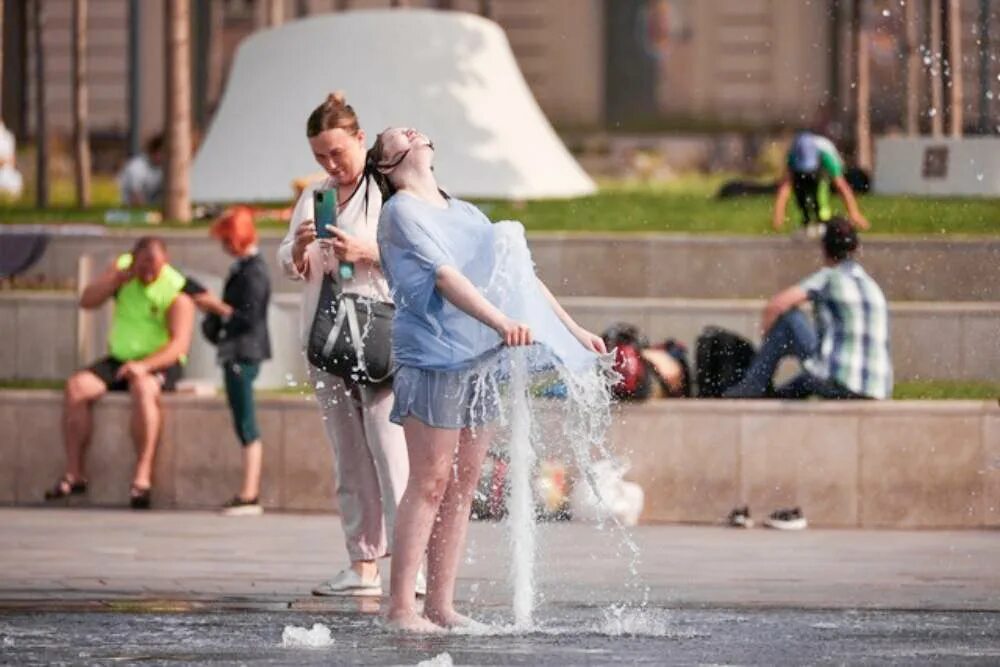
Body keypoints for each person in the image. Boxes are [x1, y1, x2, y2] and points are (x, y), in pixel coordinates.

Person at [370, 127, 607, 632]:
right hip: (434, 359)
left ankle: (440, 606)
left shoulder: (465, 212)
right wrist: (501, 322)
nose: (413, 132)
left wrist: (573, 328)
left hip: (479, 360)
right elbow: (444, 276)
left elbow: (520, 274)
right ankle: (399, 609)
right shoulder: (402, 212)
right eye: (398, 135)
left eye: (415, 129)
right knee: (430, 482)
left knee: (462, 485)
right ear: (387, 166)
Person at [277, 93, 412, 596]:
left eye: (338, 153)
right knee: (348, 458)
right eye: (320, 157)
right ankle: (362, 565)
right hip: (326, 339)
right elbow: (286, 261)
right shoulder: (316, 196)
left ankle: (407, 565)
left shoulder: (390, 193)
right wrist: (295, 249)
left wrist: (366, 251)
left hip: (376, 341)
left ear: (360, 139)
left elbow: (421, 256)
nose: (331, 165)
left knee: (389, 452)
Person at [45, 237, 196, 509]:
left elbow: (179, 345)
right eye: (143, 268)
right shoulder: (122, 276)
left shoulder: (176, 289)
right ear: (133, 261)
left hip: (159, 362)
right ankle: (74, 473)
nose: (149, 274)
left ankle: (142, 477)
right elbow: (87, 301)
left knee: (143, 388)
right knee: (77, 387)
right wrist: (115, 279)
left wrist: (145, 366)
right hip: (120, 359)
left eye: (155, 269)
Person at [724, 217, 892, 400]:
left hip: (837, 383)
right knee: (799, 383)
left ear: (823, 248)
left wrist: (768, 341)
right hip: (876, 390)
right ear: (857, 248)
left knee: (789, 318)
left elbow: (776, 306)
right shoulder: (872, 286)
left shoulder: (829, 277)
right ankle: (773, 395)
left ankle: (752, 386)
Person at [200, 206, 272, 516]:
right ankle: (248, 491)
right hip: (237, 351)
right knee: (242, 420)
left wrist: (216, 308)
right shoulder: (244, 268)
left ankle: (250, 492)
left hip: (243, 353)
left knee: (246, 421)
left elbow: (248, 316)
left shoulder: (253, 271)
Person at [772, 130, 870, 234]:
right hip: (804, 171)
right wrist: (779, 214)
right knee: (800, 191)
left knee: (820, 192)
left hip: (822, 172)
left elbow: (842, 186)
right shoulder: (793, 156)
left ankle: (823, 220)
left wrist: (854, 213)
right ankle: (807, 220)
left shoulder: (826, 156)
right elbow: (786, 186)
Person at [118, 134, 164, 206]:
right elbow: (135, 197)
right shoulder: (137, 165)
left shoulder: (163, 168)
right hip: (129, 208)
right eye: (163, 152)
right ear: (154, 151)